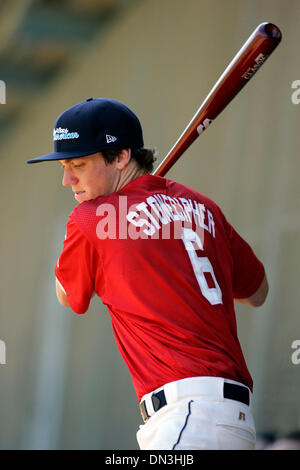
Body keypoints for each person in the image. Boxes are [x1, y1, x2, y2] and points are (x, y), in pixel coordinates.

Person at [27, 97, 269, 450]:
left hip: (187, 417)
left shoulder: (92, 217)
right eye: (64, 165)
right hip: (232, 421)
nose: (67, 179)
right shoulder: (205, 208)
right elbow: (258, 292)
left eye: (78, 164)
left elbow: (68, 295)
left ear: (122, 156)